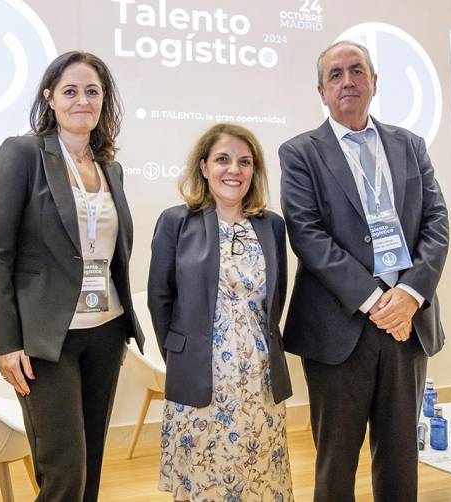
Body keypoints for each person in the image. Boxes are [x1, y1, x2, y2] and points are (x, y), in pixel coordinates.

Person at [279, 40, 449, 501]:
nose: (347, 80)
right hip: (339, 328)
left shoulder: (410, 145)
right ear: (321, 90)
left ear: (374, 82)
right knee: (336, 465)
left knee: (400, 461)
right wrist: (377, 301)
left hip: (407, 326)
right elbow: (308, 235)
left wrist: (410, 294)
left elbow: (436, 222)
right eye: (335, 74)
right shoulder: (300, 153)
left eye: (357, 71)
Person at [0, 51, 144, 502]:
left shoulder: (111, 169)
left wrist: (122, 333)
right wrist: (6, 341)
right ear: (50, 98)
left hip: (106, 334)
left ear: (104, 100)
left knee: (90, 471)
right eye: (70, 91)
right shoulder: (23, 154)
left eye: (92, 91)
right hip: (45, 341)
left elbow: (112, 255)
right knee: (64, 474)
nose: (82, 100)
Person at [148, 123, 294, 501]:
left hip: (259, 373)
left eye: (245, 162)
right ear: (203, 167)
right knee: (204, 475)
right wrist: (178, 353)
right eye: (223, 160)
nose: (234, 170)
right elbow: (159, 297)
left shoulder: (271, 225)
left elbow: (276, 296)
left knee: (259, 468)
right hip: (198, 370)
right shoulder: (176, 222)